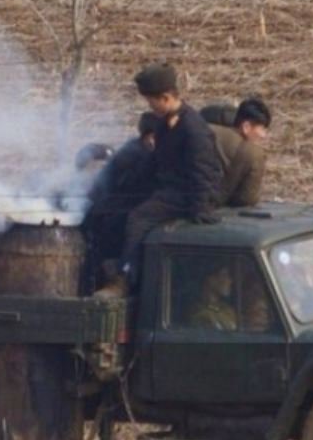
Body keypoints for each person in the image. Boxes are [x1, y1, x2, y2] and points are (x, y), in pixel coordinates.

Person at [95, 63, 224, 298]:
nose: (150, 107)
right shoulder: (165, 123)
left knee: (138, 219)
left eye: (151, 101)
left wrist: (200, 208)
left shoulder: (194, 128)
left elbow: (204, 172)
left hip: (184, 194)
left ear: (165, 98)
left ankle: (125, 277)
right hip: (166, 189)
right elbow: (155, 162)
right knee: (117, 211)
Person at [81, 112, 162, 287]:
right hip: (110, 218)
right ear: (151, 136)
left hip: (107, 214)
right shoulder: (138, 156)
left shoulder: (134, 149)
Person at [212, 97, 270, 207]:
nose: (264, 135)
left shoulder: (204, 131)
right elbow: (247, 199)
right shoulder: (253, 154)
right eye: (262, 129)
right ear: (246, 127)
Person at [189, 265, 238, 331]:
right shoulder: (197, 312)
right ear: (211, 279)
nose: (230, 281)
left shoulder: (227, 310)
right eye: (224, 275)